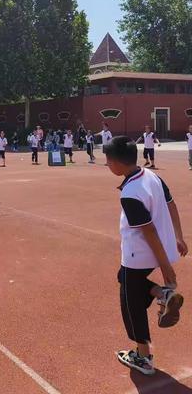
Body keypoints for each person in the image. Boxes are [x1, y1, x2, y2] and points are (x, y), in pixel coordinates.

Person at [104, 136, 187, 376]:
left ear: (118, 163)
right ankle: (162, 294)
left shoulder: (130, 192)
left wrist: (167, 270)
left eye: (108, 162)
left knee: (130, 303)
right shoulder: (152, 176)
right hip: (157, 250)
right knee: (126, 279)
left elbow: (148, 231)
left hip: (138, 254)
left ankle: (143, 356)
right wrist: (179, 237)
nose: (108, 166)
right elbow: (171, 204)